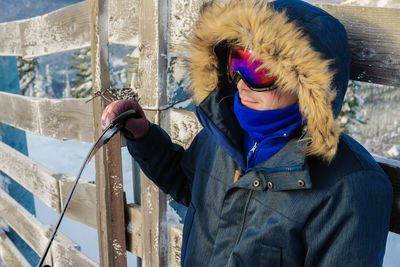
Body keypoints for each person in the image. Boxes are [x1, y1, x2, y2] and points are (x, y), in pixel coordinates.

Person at [102, 0, 393, 266]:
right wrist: (144, 137)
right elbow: (194, 187)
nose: (240, 81)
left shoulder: (349, 187)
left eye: (259, 70)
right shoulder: (225, 134)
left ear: (307, 83)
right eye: (237, 61)